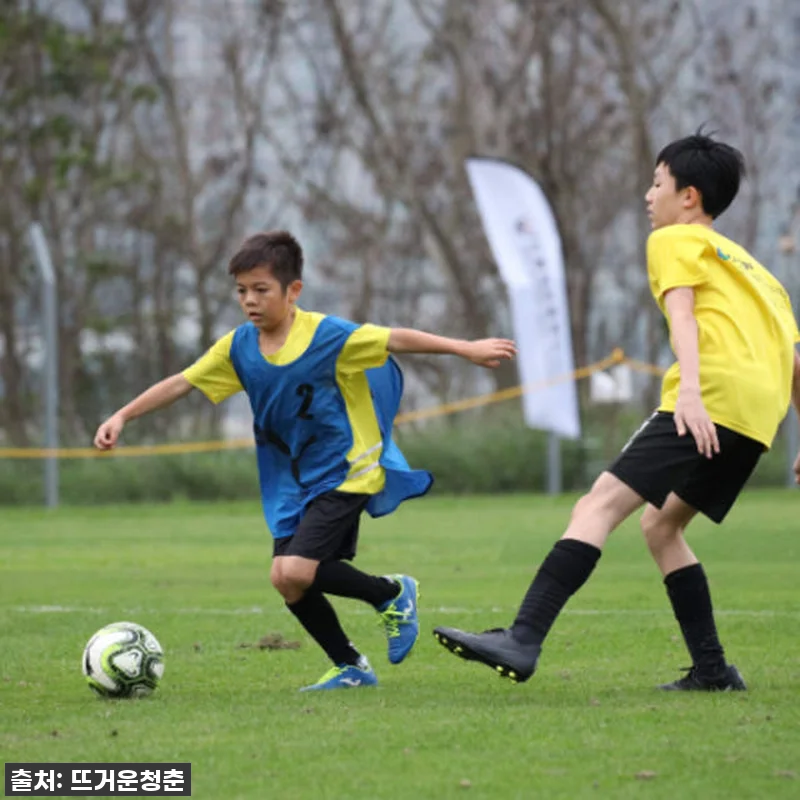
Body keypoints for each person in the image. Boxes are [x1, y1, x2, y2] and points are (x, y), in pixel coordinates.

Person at [434, 132, 800, 691]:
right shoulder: (761, 275)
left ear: (690, 197)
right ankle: (711, 670)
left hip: (711, 399)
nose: (648, 196)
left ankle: (523, 636)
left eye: (657, 183)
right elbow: (794, 364)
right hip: (757, 418)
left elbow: (682, 318)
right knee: (662, 525)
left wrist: (693, 394)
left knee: (598, 504)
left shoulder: (675, 240)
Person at [94, 230, 516, 692]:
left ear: (293, 290)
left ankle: (392, 594)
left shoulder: (327, 335)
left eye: (261, 289)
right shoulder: (239, 347)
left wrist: (465, 348)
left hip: (347, 469)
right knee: (287, 580)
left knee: (296, 568)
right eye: (241, 291)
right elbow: (183, 382)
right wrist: (123, 415)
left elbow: (396, 339)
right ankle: (351, 666)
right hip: (291, 479)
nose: (249, 301)